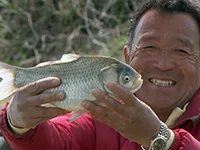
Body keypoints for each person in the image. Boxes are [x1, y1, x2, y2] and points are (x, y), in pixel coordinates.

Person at [1, 0, 200, 149]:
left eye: (181, 51)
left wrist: (159, 138)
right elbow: (57, 140)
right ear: (127, 57)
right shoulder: (102, 112)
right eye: (149, 47)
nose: (163, 64)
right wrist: (16, 123)